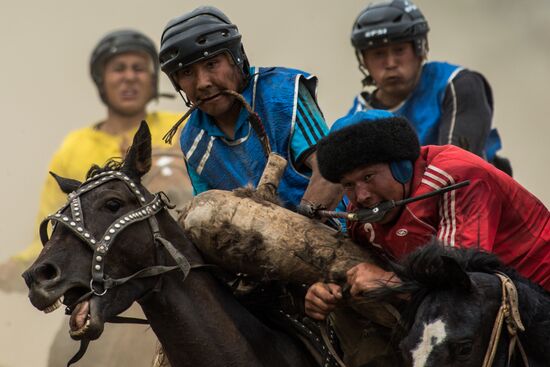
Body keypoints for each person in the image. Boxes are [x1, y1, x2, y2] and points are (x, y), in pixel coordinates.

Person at [0, 29, 190, 367]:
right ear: (101, 80)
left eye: (138, 68)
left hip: (179, 263)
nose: (129, 77)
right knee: (63, 350)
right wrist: (14, 266)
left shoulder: (179, 127)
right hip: (105, 278)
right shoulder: (75, 147)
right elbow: (53, 226)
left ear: (152, 79)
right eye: (118, 68)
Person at [303, 110, 548, 366]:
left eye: (368, 177)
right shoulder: (363, 216)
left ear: (401, 166)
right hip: (492, 316)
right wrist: (326, 291)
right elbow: (356, 267)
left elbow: (458, 289)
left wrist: (388, 282)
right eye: (349, 185)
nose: (361, 196)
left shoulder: (458, 177)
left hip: (540, 297)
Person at [158, 6, 342, 214]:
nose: (202, 83)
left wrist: (300, 229)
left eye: (211, 64)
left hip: (328, 231)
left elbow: (330, 169)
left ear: (237, 58)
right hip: (251, 244)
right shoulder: (192, 138)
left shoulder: (282, 94)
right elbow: (208, 209)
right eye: (187, 72)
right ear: (177, 84)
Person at [346, 0, 512, 174]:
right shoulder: (357, 116)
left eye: (399, 50)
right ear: (364, 61)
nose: (390, 63)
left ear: (420, 49)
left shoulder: (456, 85)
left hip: (468, 198)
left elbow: (455, 171)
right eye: (378, 54)